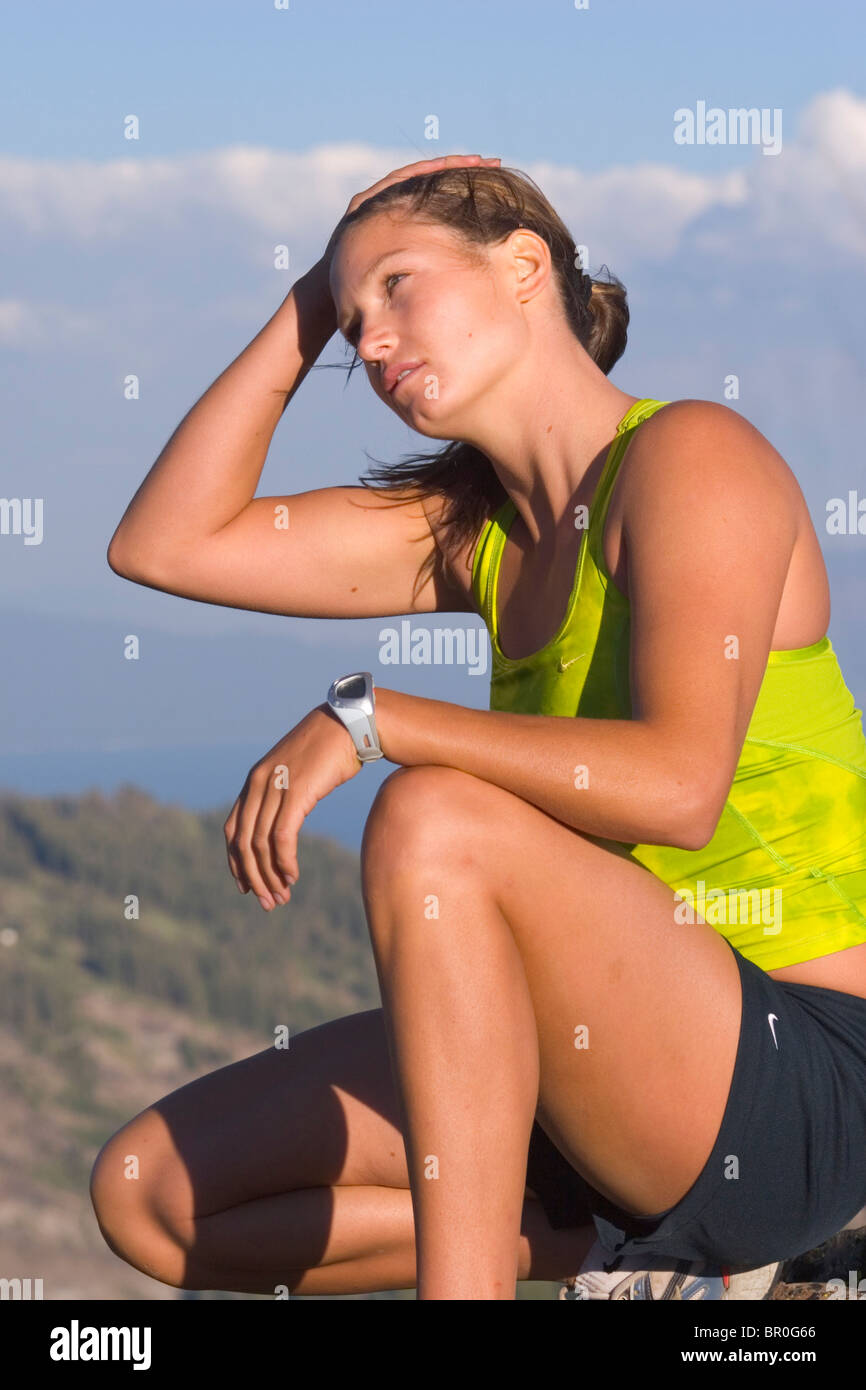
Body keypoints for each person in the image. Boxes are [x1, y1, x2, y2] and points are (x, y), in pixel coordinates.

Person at [91, 154, 866, 1302]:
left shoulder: (692, 456)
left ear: (521, 268)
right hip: (593, 1074)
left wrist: (372, 720)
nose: (376, 339)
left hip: (791, 1072)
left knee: (435, 813)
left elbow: (675, 787)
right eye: (355, 322)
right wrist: (320, 286)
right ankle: (606, 1247)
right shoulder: (475, 535)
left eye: (401, 285)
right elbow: (164, 542)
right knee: (150, 1191)